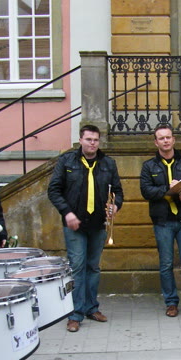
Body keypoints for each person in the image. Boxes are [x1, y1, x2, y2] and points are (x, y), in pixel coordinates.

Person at [48, 124, 123, 332]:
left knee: (93, 267)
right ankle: (75, 314)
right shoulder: (66, 161)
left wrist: (115, 206)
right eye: (89, 139)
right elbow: (54, 190)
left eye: (96, 140)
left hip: (98, 224)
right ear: (80, 140)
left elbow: (118, 191)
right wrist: (67, 212)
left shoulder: (108, 163)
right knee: (77, 267)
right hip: (74, 224)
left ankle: (91, 308)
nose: (92, 143)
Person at [140, 125, 181, 318]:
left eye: (168, 137)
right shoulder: (149, 166)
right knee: (166, 264)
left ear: (173, 140)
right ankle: (171, 302)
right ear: (156, 142)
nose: (165, 141)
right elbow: (146, 191)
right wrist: (169, 190)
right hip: (162, 222)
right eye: (161, 138)